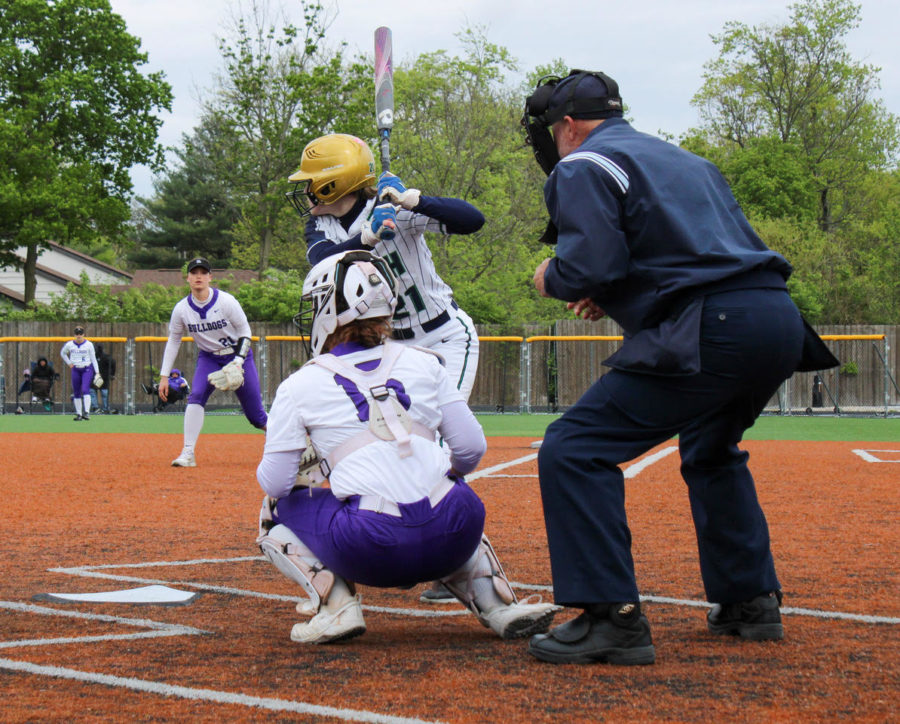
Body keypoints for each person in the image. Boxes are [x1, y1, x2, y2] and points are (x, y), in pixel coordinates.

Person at [521, 70, 839, 665]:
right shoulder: (685, 160)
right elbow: (688, 251)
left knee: (575, 447)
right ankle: (750, 601)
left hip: (713, 326)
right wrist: (611, 288)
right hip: (776, 319)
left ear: (568, 126)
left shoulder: (582, 164)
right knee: (711, 450)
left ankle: (610, 619)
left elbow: (589, 266)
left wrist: (553, 278)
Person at [255, 249, 560, 644]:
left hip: (372, 548)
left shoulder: (299, 385)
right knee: (450, 491)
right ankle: (498, 603)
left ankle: (335, 605)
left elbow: (276, 484)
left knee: (272, 510)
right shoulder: (425, 361)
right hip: (456, 533)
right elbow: (469, 449)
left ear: (332, 308)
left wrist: (314, 469)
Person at [286, 133, 484, 604]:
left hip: (444, 337)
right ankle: (427, 541)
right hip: (394, 349)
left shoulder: (397, 203)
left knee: (430, 443)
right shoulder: (325, 230)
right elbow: (321, 262)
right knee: (394, 445)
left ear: (337, 184)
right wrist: (368, 237)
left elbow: (472, 220)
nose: (308, 194)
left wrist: (418, 201)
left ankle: (458, 560)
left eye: (315, 184)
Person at [158, 257, 267, 467]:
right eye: (194, 273)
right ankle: (188, 452)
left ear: (210, 277)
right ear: (188, 278)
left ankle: (288, 441)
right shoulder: (181, 309)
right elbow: (174, 340)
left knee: (256, 417)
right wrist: (164, 375)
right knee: (196, 396)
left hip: (237, 356)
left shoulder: (226, 301)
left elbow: (246, 332)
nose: (198, 276)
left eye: (203, 272)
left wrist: (238, 361)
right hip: (208, 357)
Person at [60, 326, 102, 421]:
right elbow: (63, 353)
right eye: (77, 334)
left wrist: (97, 372)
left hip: (86, 368)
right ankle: (79, 414)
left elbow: (93, 359)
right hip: (75, 369)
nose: (79, 336)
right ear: (74, 335)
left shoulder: (89, 344)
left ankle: (86, 412)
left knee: (85, 389)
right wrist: (69, 363)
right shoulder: (70, 344)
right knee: (76, 392)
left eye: (80, 334)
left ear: (83, 334)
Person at [90, 343, 117, 413]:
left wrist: (112, 374)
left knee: (102, 392)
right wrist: (112, 374)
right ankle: (98, 408)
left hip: (103, 378)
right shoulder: (93, 357)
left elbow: (113, 363)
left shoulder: (106, 357)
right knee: (94, 391)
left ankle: (102, 408)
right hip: (96, 377)